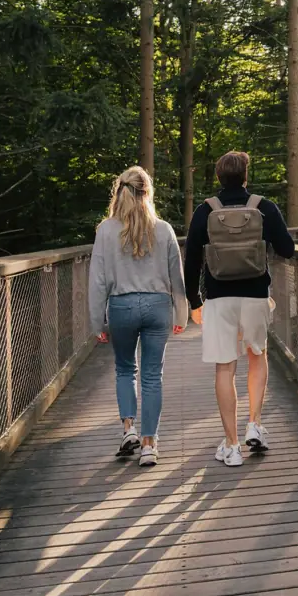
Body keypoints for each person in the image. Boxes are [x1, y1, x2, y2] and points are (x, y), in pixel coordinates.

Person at [184, 151, 295, 467]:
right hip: (256, 295)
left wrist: (194, 302)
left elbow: (191, 260)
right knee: (257, 356)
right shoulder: (264, 207)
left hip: (218, 299)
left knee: (224, 367)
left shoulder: (205, 211)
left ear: (219, 178)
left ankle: (232, 446)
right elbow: (287, 249)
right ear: (246, 176)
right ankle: (254, 425)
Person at [88, 166, 187, 467]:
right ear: (148, 192)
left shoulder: (106, 230)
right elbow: (176, 278)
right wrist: (181, 313)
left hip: (121, 307)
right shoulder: (164, 228)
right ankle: (149, 445)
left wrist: (96, 321)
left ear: (119, 192)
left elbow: (98, 280)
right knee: (152, 376)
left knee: (124, 369)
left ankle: (128, 430)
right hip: (158, 306)